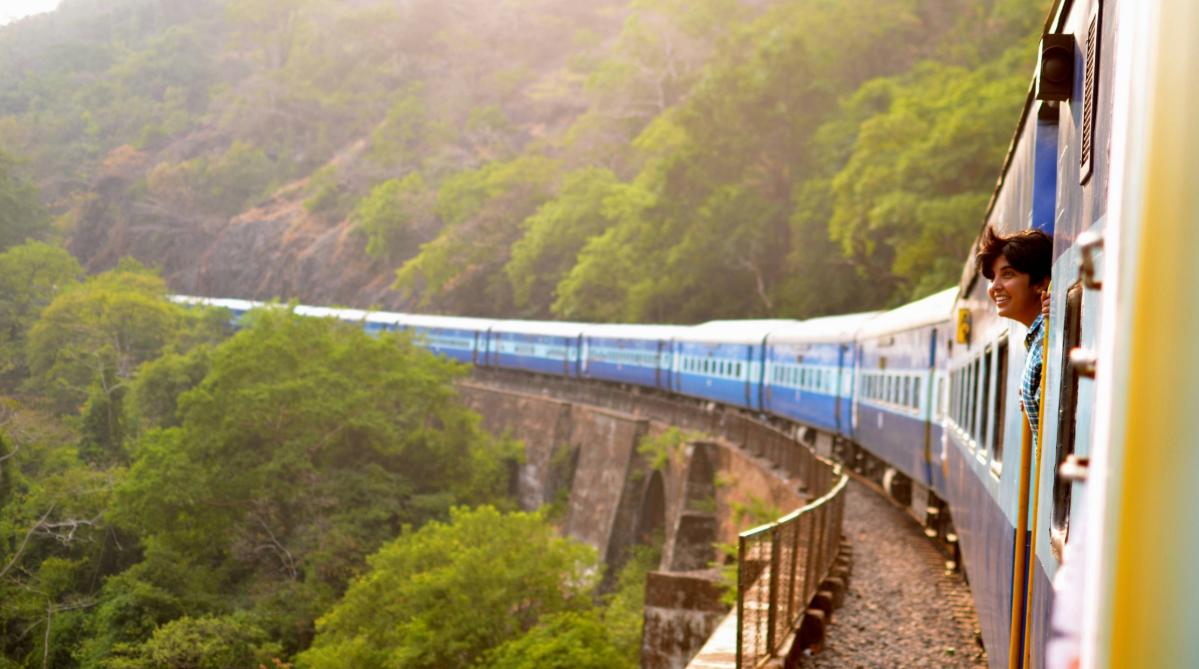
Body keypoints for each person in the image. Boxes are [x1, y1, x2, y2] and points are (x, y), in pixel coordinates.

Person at [974, 226, 1053, 443]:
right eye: (993, 278)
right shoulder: (1038, 338)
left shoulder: (1051, 338)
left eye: (1007, 274)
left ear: (1040, 283)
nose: (994, 287)